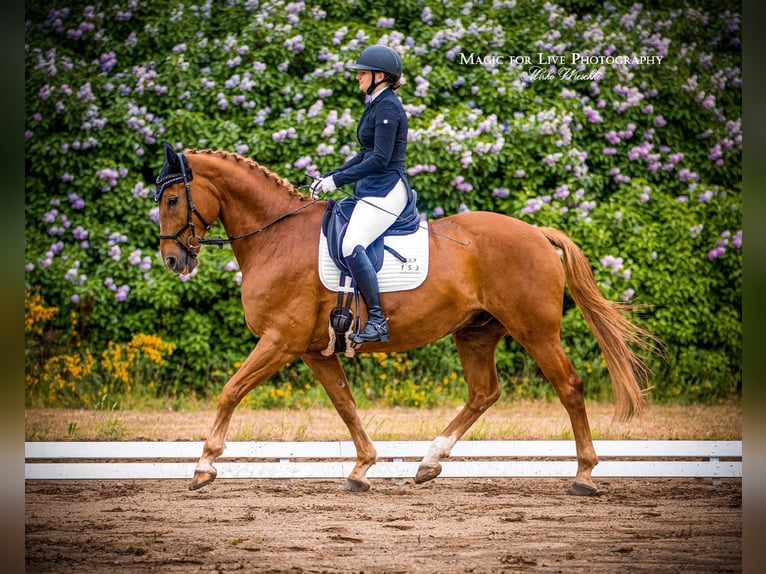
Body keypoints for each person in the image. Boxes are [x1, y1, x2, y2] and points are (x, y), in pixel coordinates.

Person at [311, 45, 415, 345]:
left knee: (350, 244)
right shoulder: (375, 103)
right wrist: (331, 177)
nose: (357, 78)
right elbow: (364, 153)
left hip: (387, 190)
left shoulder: (387, 107)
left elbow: (380, 159)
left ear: (379, 76)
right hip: (372, 188)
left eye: (362, 73)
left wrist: (338, 180)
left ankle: (378, 320)